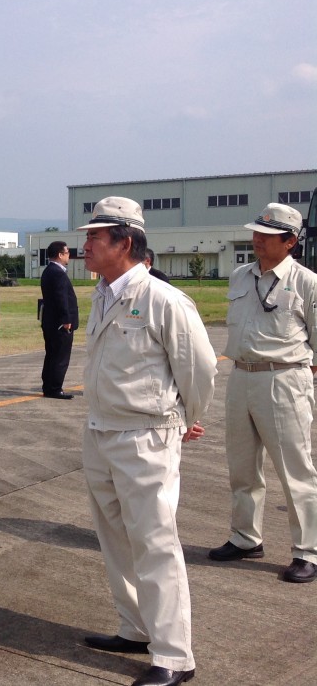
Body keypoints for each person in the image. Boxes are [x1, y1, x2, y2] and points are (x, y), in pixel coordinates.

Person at [79, 197, 216, 686]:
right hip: (101, 432)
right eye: (88, 235)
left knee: (155, 542)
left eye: (96, 236)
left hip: (144, 437)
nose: (86, 244)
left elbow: (199, 370)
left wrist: (184, 419)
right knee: (115, 538)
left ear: (127, 242)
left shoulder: (163, 299)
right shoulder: (101, 294)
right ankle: (135, 626)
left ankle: (175, 655)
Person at [208, 203, 317, 584]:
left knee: (295, 470)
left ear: (290, 241)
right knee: (241, 466)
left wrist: (302, 382)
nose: (256, 239)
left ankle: (307, 551)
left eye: (266, 235)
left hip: (284, 379)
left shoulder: (306, 282)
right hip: (241, 376)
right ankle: (245, 537)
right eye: (256, 232)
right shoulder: (240, 276)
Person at [40, 240, 79, 400]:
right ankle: (55, 388)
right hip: (60, 323)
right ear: (60, 254)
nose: (69, 255)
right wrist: (66, 319)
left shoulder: (48, 271)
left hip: (50, 321)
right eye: (67, 252)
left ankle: (49, 386)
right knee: (60, 356)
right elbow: (61, 298)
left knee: (51, 354)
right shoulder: (57, 273)